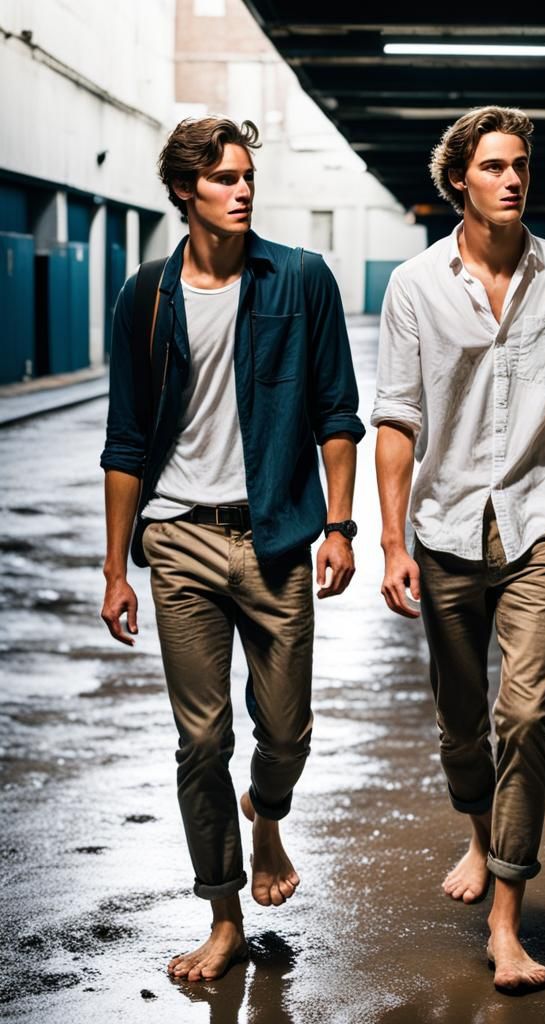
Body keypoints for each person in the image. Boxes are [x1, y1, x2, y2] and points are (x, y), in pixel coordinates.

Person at [100, 117, 364, 982]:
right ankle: (223, 914)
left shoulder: (301, 277)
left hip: (278, 535)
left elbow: (336, 411)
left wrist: (340, 524)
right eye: (222, 179)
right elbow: (127, 441)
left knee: (284, 731)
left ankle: (269, 811)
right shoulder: (145, 297)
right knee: (201, 739)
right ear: (184, 191)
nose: (242, 190)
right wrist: (115, 570)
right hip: (178, 540)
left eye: (248, 175)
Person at [372, 106, 545, 992]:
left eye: (520, 165)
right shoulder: (415, 284)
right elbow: (396, 419)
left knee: (525, 718)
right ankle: (478, 834)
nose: (512, 179)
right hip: (443, 532)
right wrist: (392, 541)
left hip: (536, 526)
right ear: (458, 182)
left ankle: (507, 919)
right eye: (493, 166)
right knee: (462, 724)